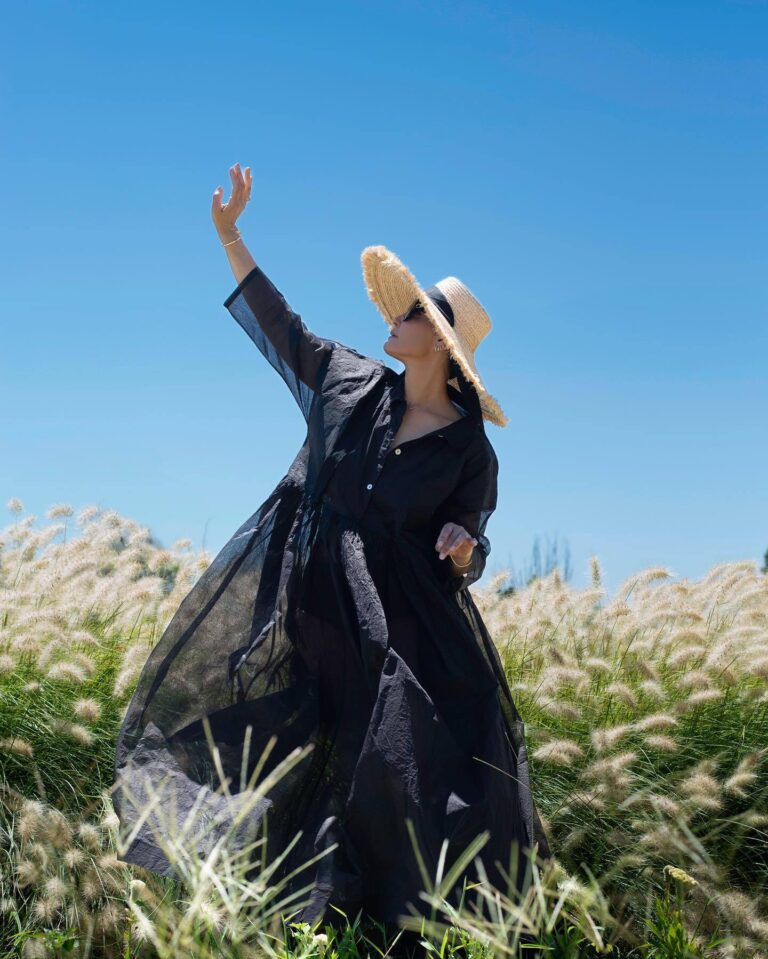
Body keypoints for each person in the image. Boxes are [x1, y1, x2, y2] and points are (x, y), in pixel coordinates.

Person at [112, 163, 552, 941]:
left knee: (383, 775)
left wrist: (463, 546)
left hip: (400, 634)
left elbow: (471, 539)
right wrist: (231, 236)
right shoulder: (352, 384)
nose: (393, 317)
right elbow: (284, 329)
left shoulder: (468, 451)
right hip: (313, 604)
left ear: (440, 343)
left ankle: (378, 929)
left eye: (411, 311)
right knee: (274, 751)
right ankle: (274, 917)